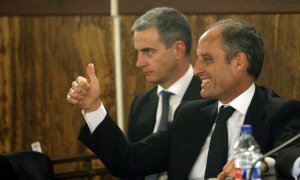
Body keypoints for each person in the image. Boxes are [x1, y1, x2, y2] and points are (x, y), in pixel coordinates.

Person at [67, 18, 300, 179]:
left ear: (238, 62)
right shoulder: (190, 115)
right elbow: (129, 161)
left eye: (207, 59)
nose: (196, 69)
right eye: (197, 58)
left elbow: (289, 157)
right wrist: (93, 107)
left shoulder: (280, 113)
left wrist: (257, 164)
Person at [69, 7, 202, 180]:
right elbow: (129, 163)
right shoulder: (141, 103)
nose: (139, 63)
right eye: (137, 52)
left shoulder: (211, 100)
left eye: (148, 51)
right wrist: (93, 107)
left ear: (178, 49)